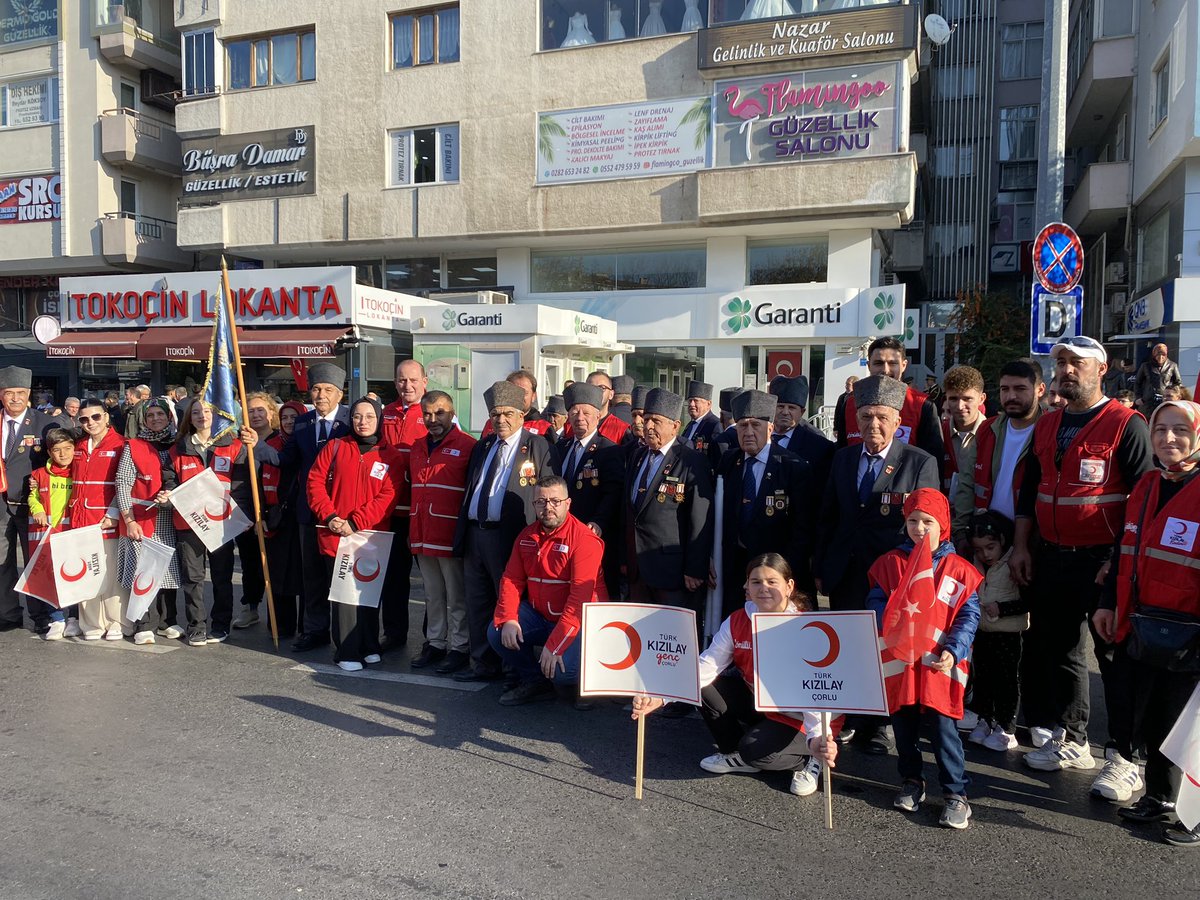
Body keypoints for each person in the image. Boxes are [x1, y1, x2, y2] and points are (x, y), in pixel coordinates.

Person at [1011, 334, 1154, 777]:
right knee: (1062, 651)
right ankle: (1073, 740)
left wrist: (1120, 561)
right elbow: (1029, 490)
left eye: (1077, 363)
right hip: (1053, 556)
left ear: (1102, 369)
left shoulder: (1126, 424)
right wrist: (1022, 546)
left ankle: (1125, 756)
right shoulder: (1048, 424)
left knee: (1113, 658)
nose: (1067, 370)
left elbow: (1145, 500)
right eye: (1061, 363)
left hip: (1103, 561)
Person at [631, 554, 836, 798]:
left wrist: (817, 736)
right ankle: (736, 753)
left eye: (772, 581)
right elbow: (707, 665)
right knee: (704, 686)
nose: (764, 588)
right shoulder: (738, 620)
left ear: (789, 586)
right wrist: (662, 696)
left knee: (757, 752)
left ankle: (810, 758)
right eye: (756, 582)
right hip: (762, 703)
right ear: (747, 585)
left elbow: (816, 691)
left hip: (802, 715)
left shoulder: (806, 627)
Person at [1093, 399, 1200, 846]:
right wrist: (1107, 604)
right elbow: (1126, 550)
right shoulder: (1148, 484)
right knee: (1157, 718)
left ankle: (1194, 815)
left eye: (1180, 430)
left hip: (1193, 632)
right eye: (1160, 429)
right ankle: (1159, 795)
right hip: (1145, 624)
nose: (1168, 438)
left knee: (1191, 729)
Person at [814, 374, 939, 752]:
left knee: (886, 650)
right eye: (866, 416)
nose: (874, 424)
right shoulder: (843, 458)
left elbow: (927, 526)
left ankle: (881, 723)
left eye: (882, 417)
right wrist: (821, 565)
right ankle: (852, 715)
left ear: (897, 421)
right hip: (847, 570)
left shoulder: (919, 462)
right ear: (856, 419)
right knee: (850, 645)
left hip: (891, 577)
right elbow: (828, 515)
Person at [866, 489, 982, 829]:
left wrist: (954, 650)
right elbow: (875, 602)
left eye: (928, 521)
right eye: (913, 520)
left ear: (942, 525)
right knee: (903, 727)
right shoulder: (891, 563)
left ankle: (956, 793)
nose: (919, 528)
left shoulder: (959, 570)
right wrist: (888, 622)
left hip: (939, 665)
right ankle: (911, 780)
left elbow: (969, 616)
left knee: (944, 729)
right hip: (901, 663)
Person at [454, 380, 554, 682]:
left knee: (509, 604)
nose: (501, 420)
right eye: (495, 414)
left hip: (510, 537)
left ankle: (513, 669)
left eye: (508, 413)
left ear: (521, 415)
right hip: (476, 533)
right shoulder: (484, 446)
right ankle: (483, 664)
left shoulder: (537, 445)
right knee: (477, 602)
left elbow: (547, 490)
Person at [254, 363, 350, 652]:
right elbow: (286, 460)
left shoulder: (352, 419)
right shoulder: (303, 422)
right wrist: (257, 444)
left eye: (328, 390)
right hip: (308, 511)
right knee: (312, 576)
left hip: (343, 510)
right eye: (316, 389)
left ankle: (345, 634)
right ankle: (315, 630)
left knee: (341, 577)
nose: (321, 395)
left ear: (340, 394)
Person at [488, 475, 602, 706]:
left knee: (562, 672)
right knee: (497, 632)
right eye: (541, 501)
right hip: (541, 616)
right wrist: (509, 618)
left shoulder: (584, 540)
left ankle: (586, 682)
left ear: (568, 503)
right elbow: (511, 579)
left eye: (555, 501)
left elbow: (579, 601)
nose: (548, 507)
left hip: (581, 622)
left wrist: (555, 645)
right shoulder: (526, 536)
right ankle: (535, 681)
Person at [307, 397, 400, 672]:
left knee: (368, 594)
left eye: (370, 416)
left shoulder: (391, 455)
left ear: (379, 419)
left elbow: (389, 495)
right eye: (357, 416)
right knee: (345, 597)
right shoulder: (335, 447)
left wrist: (357, 522)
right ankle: (346, 651)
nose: (363, 422)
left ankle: (369, 645)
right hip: (337, 533)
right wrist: (331, 517)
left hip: (371, 536)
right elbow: (314, 482)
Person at [163, 400, 260, 647]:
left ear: (217, 416)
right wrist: (168, 496)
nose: (202, 416)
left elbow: (241, 487)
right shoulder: (178, 449)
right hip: (189, 523)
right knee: (193, 578)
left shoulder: (235, 446)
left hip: (222, 524)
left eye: (207, 411)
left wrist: (243, 515)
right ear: (189, 418)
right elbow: (170, 482)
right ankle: (196, 626)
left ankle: (220, 624)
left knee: (221, 576)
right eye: (196, 412)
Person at [712, 390, 814, 614]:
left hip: (774, 575)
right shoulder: (728, 462)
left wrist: (784, 573)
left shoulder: (792, 466)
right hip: (735, 573)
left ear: (770, 428)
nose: (748, 432)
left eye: (755, 425)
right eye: (743, 426)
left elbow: (802, 527)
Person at [622, 387, 713, 612]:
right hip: (637, 569)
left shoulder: (691, 461)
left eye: (656, 421)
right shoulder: (637, 455)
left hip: (672, 571)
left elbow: (699, 518)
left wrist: (695, 568)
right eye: (646, 419)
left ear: (675, 426)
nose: (648, 426)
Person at [407, 390, 476, 673]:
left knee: (456, 597)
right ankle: (435, 643)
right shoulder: (417, 447)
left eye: (440, 413)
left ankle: (460, 646)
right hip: (422, 532)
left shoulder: (468, 445)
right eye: (427, 414)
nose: (433, 419)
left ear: (452, 413)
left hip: (449, 535)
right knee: (432, 595)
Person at [115, 399, 182, 645]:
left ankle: (167, 621)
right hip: (141, 516)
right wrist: (129, 520)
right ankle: (144, 623)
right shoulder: (133, 446)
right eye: (150, 415)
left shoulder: (178, 444)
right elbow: (122, 483)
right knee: (143, 571)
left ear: (169, 417)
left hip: (169, 516)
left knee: (168, 569)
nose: (155, 419)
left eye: (160, 414)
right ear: (143, 419)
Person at [964, 510, 1028, 751]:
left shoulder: (1013, 562)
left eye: (990, 547)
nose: (985, 554)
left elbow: (1029, 600)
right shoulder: (976, 563)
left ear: (1002, 540)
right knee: (983, 678)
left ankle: (1006, 728)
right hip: (982, 630)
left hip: (1008, 634)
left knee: (1007, 681)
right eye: (979, 550)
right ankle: (985, 719)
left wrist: (1003, 608)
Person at [553, 382, 623, 599]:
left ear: (598, 416)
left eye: (586, 412)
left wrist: (599, 521)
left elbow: (613, 493)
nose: (580, 417)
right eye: (574, 412)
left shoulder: (609, 450)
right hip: (560, 533)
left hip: (590, 532)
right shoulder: (560, 448)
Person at [834, 337, 944, 474]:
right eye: (878, 363)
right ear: (868, 365)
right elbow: (841, 457)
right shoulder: (850, 404)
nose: (885, 370)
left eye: (892, 363)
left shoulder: (922, 405)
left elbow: (933, 463)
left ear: (904, 365)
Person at [957, 359, 1045, 530]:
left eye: (1020, 389)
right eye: (1005, 389)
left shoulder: (1050, 430)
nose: (1011, 396)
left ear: (1040, 390)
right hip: (986, 536)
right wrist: (961, 530)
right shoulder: (986, 429)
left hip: (1032, 536)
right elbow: (967, 482)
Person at [379, 359, 429, 654]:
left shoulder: (435, 412)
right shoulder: (385, 412)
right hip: (391, 511)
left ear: (424, 382)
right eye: (401, 380)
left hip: (422, 511)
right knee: (393, 578)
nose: (407, 386)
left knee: (431, 583)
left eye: (412, 380)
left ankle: (432, 639)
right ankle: (394, 633)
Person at [0, 365, 53, 632]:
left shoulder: (45, 423)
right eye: (9, 393)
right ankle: (8, 614)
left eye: (20, 392)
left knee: (36, 561)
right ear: (1, 395)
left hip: (31, 504)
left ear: (29, 393)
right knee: (2, 562)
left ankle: (41, 616)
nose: (15, 398)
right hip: (0, 505)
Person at [71, 396, 127, 641]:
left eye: (95, 417)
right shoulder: (78, 446)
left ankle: (116, 621)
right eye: (84, 419)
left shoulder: (122, 445)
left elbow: (126, 483)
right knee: (86, 573)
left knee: (110, 573)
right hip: (80, 519)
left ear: (106, 416)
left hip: (106, 519)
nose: (90, 422)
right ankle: (91, 622)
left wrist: (115, 513)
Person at [261, 399, 307, 639]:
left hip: (302, 516)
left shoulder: (308, 442)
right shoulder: (270, 445)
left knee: (305, 575)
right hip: (276, 517)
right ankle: (281, 625)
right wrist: (260, 515)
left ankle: (307, 627)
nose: (289, 422)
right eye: (285, 417)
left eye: (294, 417)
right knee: (279, 574)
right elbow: (258, 482)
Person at [229, 393, 275, 630]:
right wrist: (245, 515)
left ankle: (278, 613)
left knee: (274, 565)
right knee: (250, 564)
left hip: (274, 515)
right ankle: (251, 607)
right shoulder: (237, 443)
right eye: (251, 411)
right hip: (247, 514)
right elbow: (236, 480)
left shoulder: (280, 440)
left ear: (271, 413)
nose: (256, 415)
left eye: (260, 410)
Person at [27, 428, 76, 640]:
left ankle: (74, 618)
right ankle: (56, 619)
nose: (63, 454)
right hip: (48, 535)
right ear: (49, 452)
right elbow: (33, 496)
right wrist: (37, 509)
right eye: (57, 450)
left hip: (72, 533)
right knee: (50, 577)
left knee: (74, 576)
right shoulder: (39, 475)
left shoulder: (80, 471)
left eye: (68, 448)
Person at [941, 365, 987, 546]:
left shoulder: (994, 434)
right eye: (953, 399)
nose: (960, 406)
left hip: (984, 531)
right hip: (944, 527)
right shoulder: (938, 433)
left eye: (967, 399)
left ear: (982, 398)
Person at [769, 375, 835, 489]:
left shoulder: (819, 445)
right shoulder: (757, 437)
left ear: (802, 412)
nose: (785, 412)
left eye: (791, 408)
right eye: (780, 406)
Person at [479, 369, 554, 439]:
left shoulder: (544, 428)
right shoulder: (491, 423)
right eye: (513, 393)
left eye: (524, 393)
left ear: (533, 396)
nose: (519, 397)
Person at [1135, 343, 1182, 412]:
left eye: (1163, 355)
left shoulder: (1172, 365)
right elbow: (1137, 382)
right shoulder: (1145, 366)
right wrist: (1138, 397)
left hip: (1165, 399)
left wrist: (1175, 396)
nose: (1160, 357)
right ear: (1154, 355)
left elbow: (1178, 382)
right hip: (1147, 400)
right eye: (1158, 355)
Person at [587, 371, 630, 443]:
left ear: (611, 394)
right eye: (591, 388)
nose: (596, 392)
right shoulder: (574, 425)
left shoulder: (621, 430)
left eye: (602, 388)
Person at [680, 380, 720, 453]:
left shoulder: (714, 425)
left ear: (708, 404)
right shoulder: (690, 425)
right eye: (690, 400)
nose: (691, 404)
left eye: (696, 401)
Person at [832, 375, 858, 444]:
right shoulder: (842, 397)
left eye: (848, 384)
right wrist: (835, 429)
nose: (846, 386)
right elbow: (837, 413)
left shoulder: (859, 396)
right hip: (843, 426)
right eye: (846, 384)